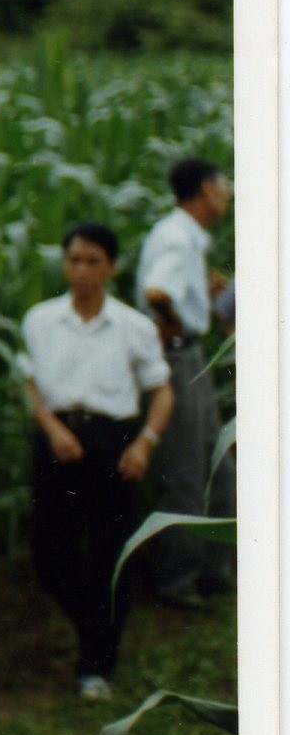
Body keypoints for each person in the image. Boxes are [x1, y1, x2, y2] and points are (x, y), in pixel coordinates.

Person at [20, 222, 175, 700]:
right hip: (58, 437)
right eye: (74, 260)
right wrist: (53, 430)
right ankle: (96, 626)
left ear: (111, 267)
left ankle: (95, 668)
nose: (82, 271)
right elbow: (29, 383)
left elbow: (161, 390)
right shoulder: (41, 320)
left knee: (111, 553)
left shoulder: (133, 326)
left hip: (113, 442)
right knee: (49, 553)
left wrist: (144, 442)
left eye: (93, 262)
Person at [136, 156, 235, 608]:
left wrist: (201, 293)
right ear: (205, 191)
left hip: (188, 355)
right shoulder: (177, 238)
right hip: (175, 358)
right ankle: (179, 580)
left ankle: (215, 570)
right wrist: (175, 322)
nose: (229, 192)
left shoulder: (184, 237)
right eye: (223, 184)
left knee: (217, 465)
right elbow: (157, 291)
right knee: (188, 473)